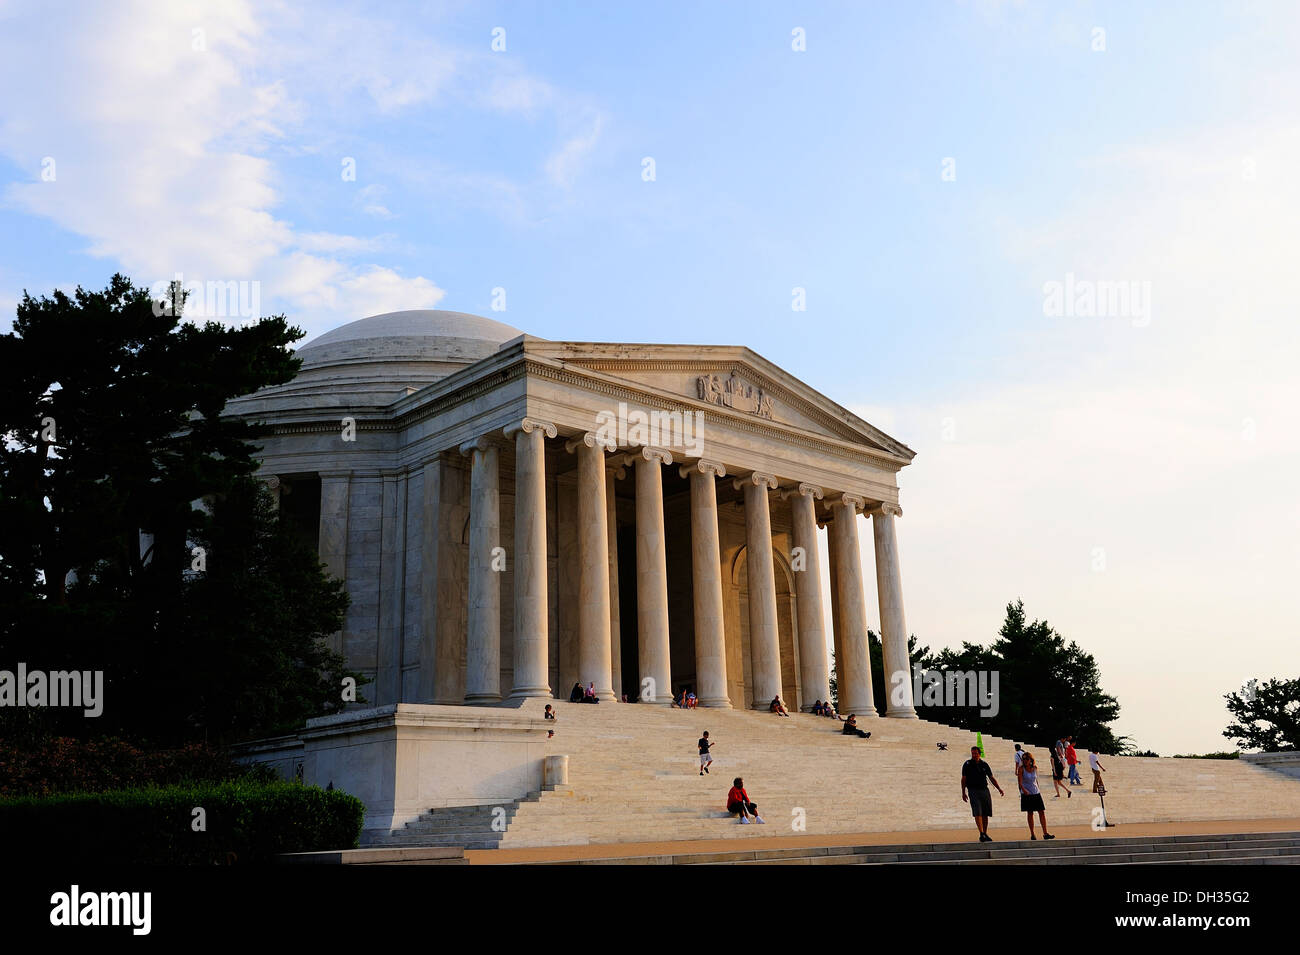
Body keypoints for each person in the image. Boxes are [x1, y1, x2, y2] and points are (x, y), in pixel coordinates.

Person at [961, 744, 1004, 842]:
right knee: (977, 811)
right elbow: (963, 779)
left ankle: (985, 832)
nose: (974, 755)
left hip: (984, 790)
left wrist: (999, 788)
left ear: (979, 754)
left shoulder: (984, 764)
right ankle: (981, 833)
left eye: (976, 753)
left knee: (985, 812)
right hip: (973, 790)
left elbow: (991, 777)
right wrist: (963, 792)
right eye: (972, 753)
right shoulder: (967, 764)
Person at [1016, 752, 1055, 840]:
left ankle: (1045, 833)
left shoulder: (1034, 768)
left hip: (1036, 792)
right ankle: (1032, 833)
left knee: (1041, 812)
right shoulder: (1021, 769)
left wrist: (1038, 788)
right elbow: (1020, 782)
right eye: (1024, 759)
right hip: (1027, 793)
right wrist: (1024, 790)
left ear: (1031, 760)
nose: (1025, 761)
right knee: (1030, 813)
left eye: (1027, 759)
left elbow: (1035, 780)